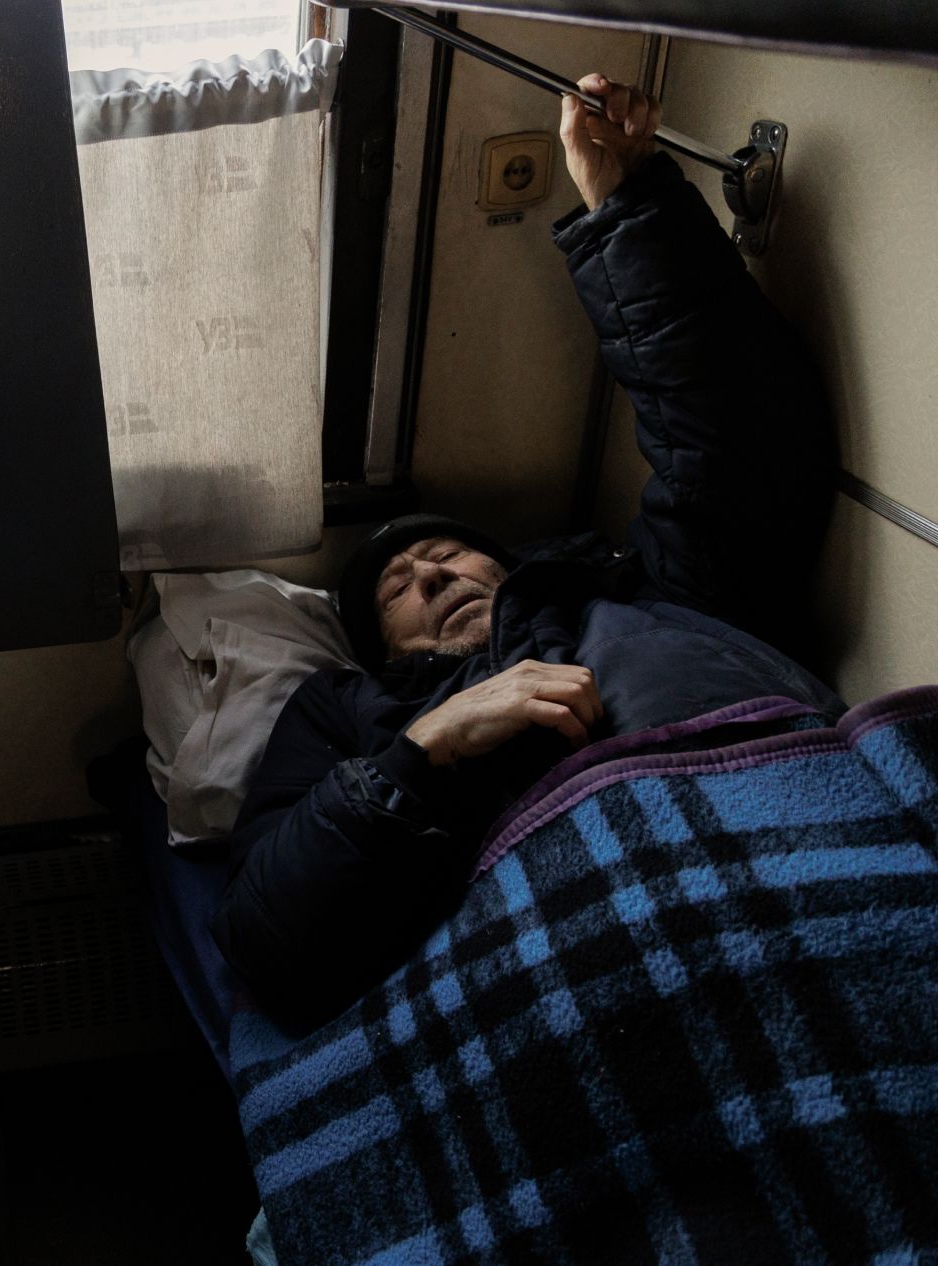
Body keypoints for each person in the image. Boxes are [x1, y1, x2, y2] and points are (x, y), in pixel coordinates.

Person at [211, 75, 845, 1035]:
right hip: (585, 946)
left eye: (446, 555)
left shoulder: (638, 595)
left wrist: (626, 204)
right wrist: (431, 745)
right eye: (397, 589)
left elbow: (729, 441)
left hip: (792, 827)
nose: (430, 574)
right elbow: (268, 940)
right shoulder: (355, 721)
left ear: (510, 569)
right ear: (382, 651)